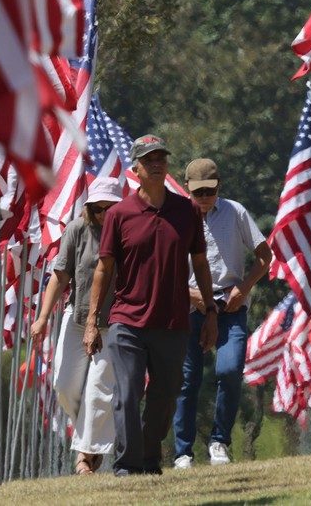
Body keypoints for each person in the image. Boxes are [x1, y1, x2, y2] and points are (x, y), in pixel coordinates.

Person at [84, 135, 219, 477]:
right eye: (149, 159)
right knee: (127, 393)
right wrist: (91, 321)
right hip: (126, 320)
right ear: (136, 169)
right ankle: (128, 465)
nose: (157, 163)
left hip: (172, 322)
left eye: (161, 158)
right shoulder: (119, 214)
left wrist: (211, 312)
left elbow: (200, 262)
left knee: (166, 394)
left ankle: (148, 456)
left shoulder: (186, 210)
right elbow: (104, 268)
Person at [172, 159, 272, 468]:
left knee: (229, 371)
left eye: (209, 191)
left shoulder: (236, 212)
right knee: (187, 379)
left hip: (230, 306)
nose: (203, 198)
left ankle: (219, 442)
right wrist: (192, 295)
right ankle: (183, 451)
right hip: (190, 306)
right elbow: (165, 270)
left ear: (219, 187)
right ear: (187, 189)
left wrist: (243, 287)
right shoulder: (176, 217)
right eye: (197, 191)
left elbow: (265, 256)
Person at [32, 177, 122, 475]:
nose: (104, 215)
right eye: (99, 208)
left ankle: (85, 457)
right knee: (64, 385)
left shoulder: (128, 234)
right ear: (89, 208)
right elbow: (60, 276)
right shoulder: (77, 230)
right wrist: (43, 317)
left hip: (115, 321)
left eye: (111, 209)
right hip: (78, 317)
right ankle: (91, 436)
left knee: (99, 390)